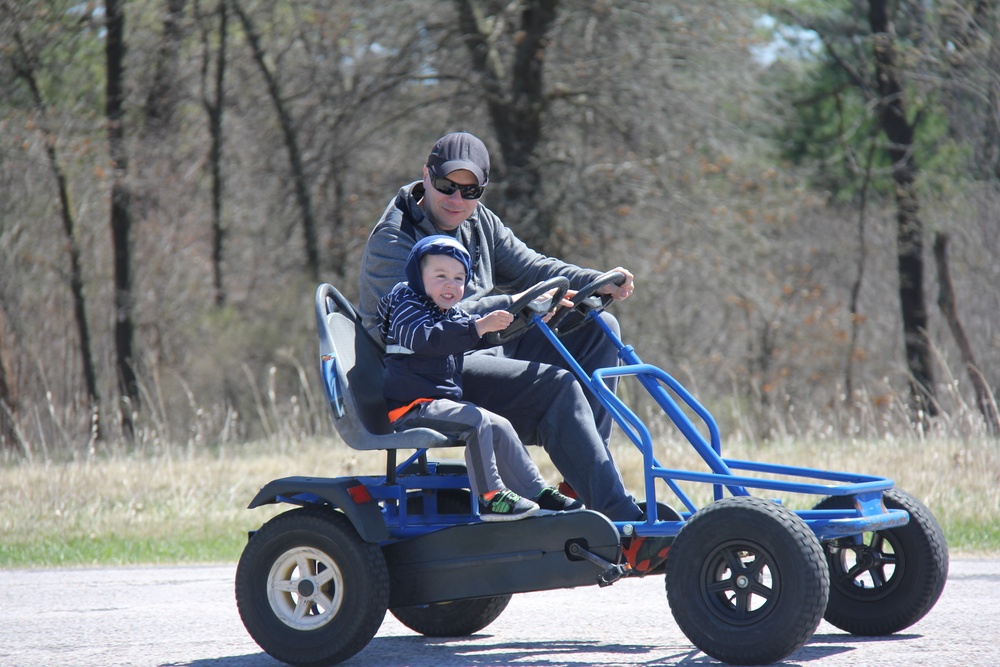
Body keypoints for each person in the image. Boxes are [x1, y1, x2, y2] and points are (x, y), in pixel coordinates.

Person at [359, 131, 670, 572]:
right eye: (447, 186)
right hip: (429, 373)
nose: (457, 199)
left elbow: (532, 266)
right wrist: (509, 303)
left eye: (470, 190)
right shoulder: (394, 243)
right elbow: (422, 328)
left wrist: (593, 279)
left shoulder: (477, 221)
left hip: (483, 343)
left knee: (600, 327)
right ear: (426, 177)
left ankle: (583, 487)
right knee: (557, 388)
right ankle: (619, 525)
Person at [379, 234, 584, 521]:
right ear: (418, 275)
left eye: (459, 278)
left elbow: (472, 336)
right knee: (476, 421)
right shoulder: (406, 306)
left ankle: (536, 492)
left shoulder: (447, 311)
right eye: (440, 276)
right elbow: (428, 340)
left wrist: (510, 322)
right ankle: (489, 497)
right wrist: (479, 327)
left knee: (499, 424)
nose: (451, 285)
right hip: (411, 406)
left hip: (438, 402)